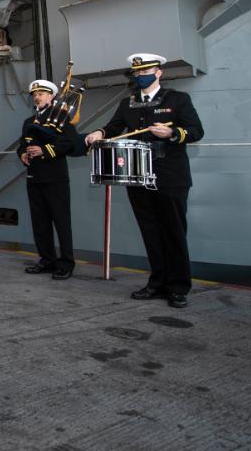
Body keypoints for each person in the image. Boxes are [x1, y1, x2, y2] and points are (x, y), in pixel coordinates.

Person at [85, 53, 204, 309]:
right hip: (137, 175)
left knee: (173, 232)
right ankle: (157, 283)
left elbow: (196, 130)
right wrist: (98, 132)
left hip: (170, 176)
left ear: (158, 72)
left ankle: (178, 287)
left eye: (144, 72)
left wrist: (172, 132)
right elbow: (114, 127)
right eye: (136, 73)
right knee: (150, 231)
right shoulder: (128, 104)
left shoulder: (177, 100)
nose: (140, 76)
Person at [17, 79, 79, 280]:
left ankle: (66, 263)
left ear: (51, 96)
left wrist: (45, 150)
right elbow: (22, 145)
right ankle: (47, 260)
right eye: (35, 94)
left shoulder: (61, 117)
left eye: (41, 94)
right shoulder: (29, 122)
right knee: (40, 222)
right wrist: (22, 155)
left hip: (55, 178)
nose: (37, 97)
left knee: (61, 222)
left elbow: (70, 142)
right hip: (34, 177)